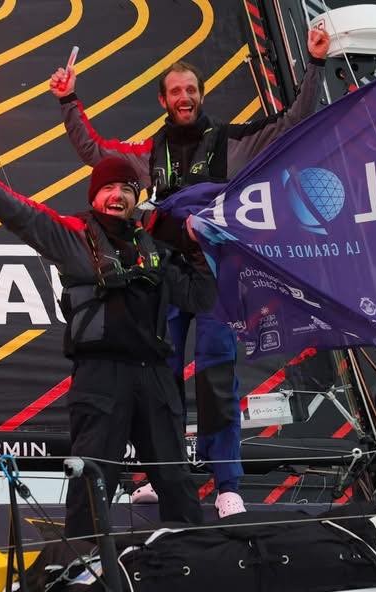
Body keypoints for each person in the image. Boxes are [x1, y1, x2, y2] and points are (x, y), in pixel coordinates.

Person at [48, 27, 331, 517]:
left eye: (191, 90)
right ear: (163, 100)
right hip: (162, 276)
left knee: (217, 374)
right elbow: (94, 152)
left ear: (201, 96)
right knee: (160, 377)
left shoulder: (230, 142)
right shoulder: (148, 152)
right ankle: (163, 474)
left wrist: (316, 65)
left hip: (216, 275)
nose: (185, 97)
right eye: (176, 91)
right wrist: (68, 100)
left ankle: (227, 484)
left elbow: (290, 124)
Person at [0, 142, 215, 538]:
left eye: (126, 189)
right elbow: (22, 215)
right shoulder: (73, 236)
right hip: (100, 376)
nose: (118, 195)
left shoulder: (155, 245)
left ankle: (193, 556)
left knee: (174, 478)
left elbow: (200, 298)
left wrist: (195, 248)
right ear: (94, 196)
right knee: (93, 479)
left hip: (155, 376)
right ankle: (83, 563)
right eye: (109, 188)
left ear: (135, 198)